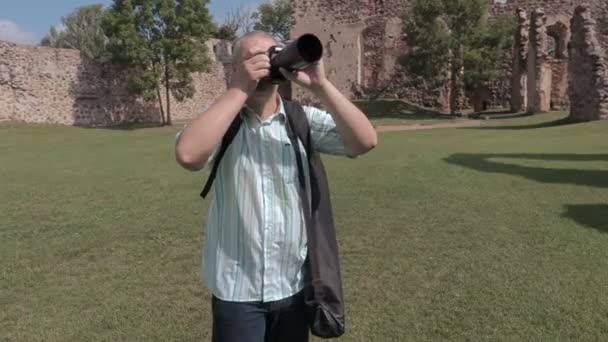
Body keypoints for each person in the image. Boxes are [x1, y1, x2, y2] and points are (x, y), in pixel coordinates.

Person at [174, 31, 378, 342]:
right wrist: (240, 88)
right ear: (235, 68)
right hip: (236, 290)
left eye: (271, 54)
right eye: (251, 57)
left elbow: (365, 141)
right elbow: (188, 155)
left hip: (293, 288)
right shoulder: (223, 122)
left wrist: (321, 86)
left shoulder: (300, 120)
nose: (264, 62)